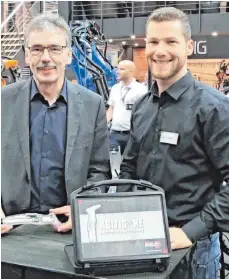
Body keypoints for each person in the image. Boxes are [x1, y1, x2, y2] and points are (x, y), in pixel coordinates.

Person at [119, 7, 229, 278]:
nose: (160, 50)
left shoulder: (213, 108)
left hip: (193, 253)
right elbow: (128, 172)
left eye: (171, 42)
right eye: (154, 42)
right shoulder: (143, 106)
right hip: (142, 244)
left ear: (189, 46)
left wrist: (191, 231)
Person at [1, 13, 111, 234]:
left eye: (54, 48)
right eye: (37, 49)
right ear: (27, 57)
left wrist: (82, 209)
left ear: (69, 55)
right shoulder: (4, 101)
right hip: (10, 229)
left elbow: (99, 171)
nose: (45, 57)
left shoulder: (93, 105)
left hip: (68, 229)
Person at [106, 60, 147, 154]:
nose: (117, 71)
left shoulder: (141, 90)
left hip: (132, 135)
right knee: (114, 163)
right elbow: (111, 109)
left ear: (131, 71)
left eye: (122, 69)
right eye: (118, 68)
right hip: (114, 134)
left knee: (129, 165)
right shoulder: (115, 88)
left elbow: (144, 113)